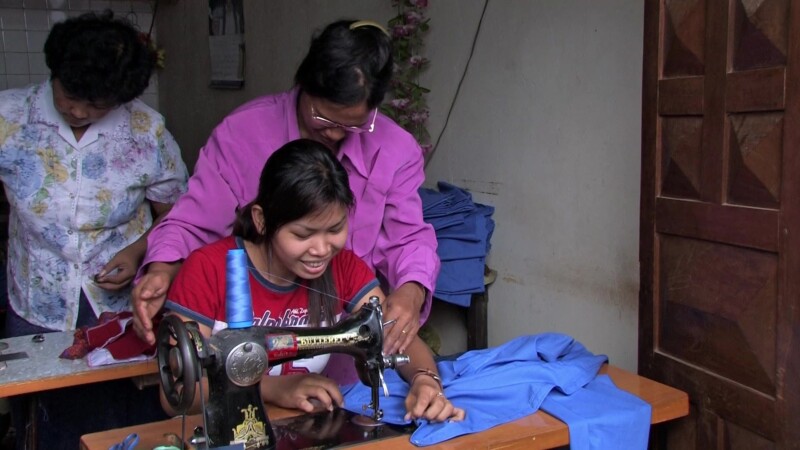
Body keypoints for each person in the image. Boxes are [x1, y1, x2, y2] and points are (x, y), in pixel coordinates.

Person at [133, 19, 440, 384]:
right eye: (323, 117)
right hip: (248, 362)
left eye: (353, 125)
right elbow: (192, 222)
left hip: (339, 370)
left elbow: (409, 238)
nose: (336, 133)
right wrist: (163, 269)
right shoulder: (243, 134)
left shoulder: (394, 151)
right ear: (304, 85)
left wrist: (411, 292)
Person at [162, 139, 463, 425]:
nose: (321, 249)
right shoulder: (209, 269)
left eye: (335, 229)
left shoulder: (342, 267)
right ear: (261, 219)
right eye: (303, 235)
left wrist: (426, 381)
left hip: (300, 426)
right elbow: (174, 393)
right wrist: (272, 389)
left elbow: (396, 337)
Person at [0, 11, 188, 448]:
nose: (80, 111)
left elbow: (177, 213)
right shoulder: (9, 119)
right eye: (69, 96)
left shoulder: (146, 131)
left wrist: (139, 251)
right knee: (45, 416)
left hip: (123, 303)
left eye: (97, 105)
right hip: (36, 299)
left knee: (119, 418)